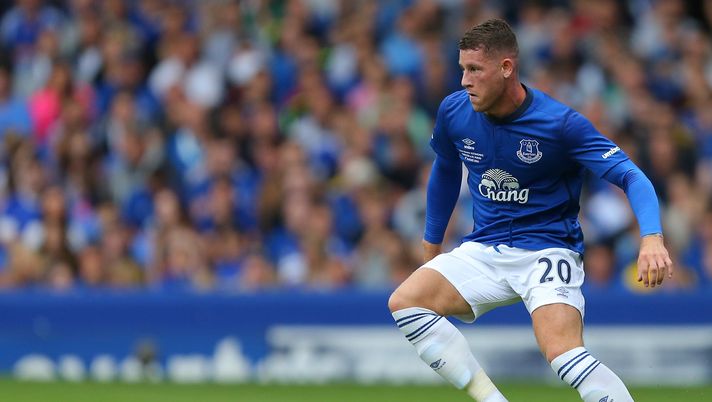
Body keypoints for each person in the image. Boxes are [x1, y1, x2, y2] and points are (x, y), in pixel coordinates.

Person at [388, 19, 673, 402]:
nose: (464, 81)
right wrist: (432, 242)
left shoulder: (560, 124)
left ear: (506, 68)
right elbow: (445, 169)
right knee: (406, 302)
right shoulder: (454, 111)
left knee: (563, 354)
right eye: (462, 69)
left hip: (548, 250)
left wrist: (651, 237)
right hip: (485, 247)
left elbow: (631, 176)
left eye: (475, 70)